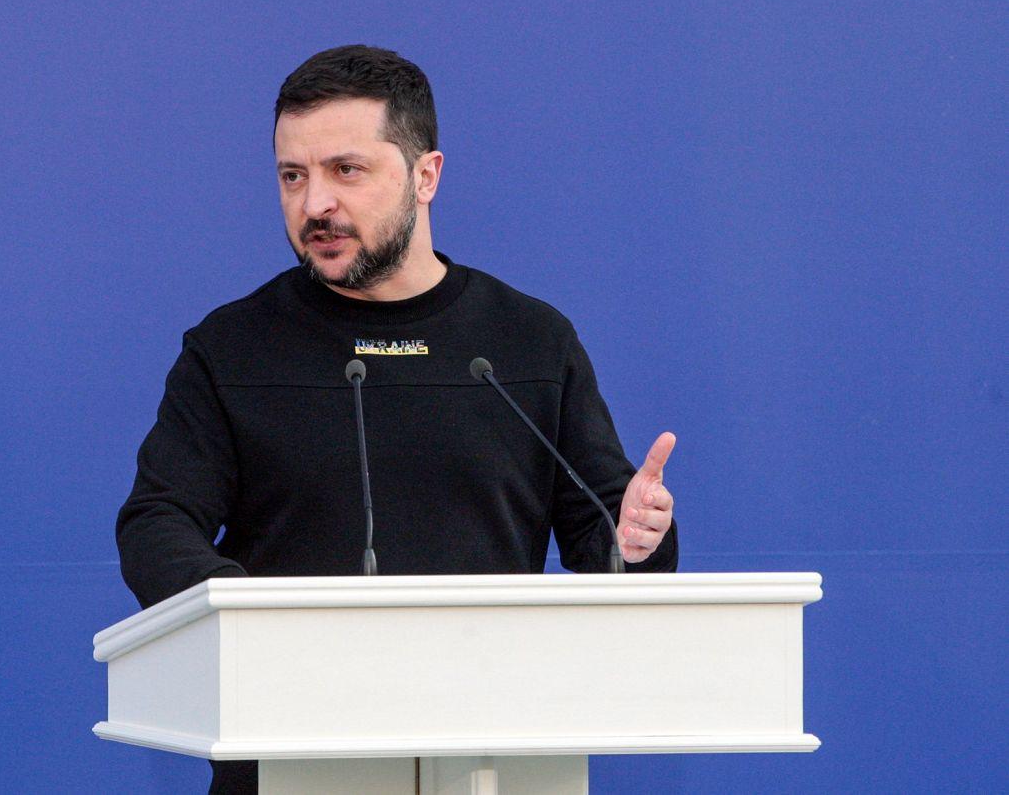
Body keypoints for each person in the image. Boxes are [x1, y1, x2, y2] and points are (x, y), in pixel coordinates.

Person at [116, 44, 678, 795]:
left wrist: (638, 541)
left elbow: (602, 536)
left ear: (426, 175)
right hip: (286, 751)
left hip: (495, 753)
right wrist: (248, 620)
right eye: (292, 175)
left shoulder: (529, 342)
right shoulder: (231, 348)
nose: (314, 204)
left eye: (345, 170)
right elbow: (157, 522)